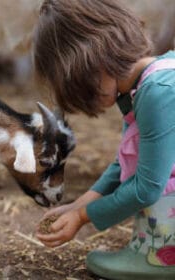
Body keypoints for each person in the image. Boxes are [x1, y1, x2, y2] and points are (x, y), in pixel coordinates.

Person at [33, 0, 175, 279]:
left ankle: (161, 257)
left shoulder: (157, 94)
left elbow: (147, 186)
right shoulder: (151, 79)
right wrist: (79, 205)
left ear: (91, 64)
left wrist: (83, 218)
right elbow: (128, 163)